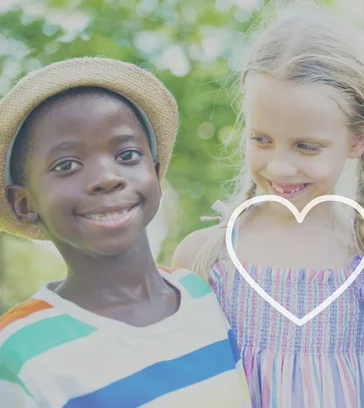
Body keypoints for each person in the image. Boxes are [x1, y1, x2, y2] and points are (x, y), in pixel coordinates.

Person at [172, 4, 364, 407]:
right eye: (262, 139)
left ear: (359, 139)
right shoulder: (206, 259)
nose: (280, 166)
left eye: (306, 146)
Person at [0, 58, 250, 407]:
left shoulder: (203, 294)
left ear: (156, 173)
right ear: (25, 203)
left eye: (128, 154)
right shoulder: (17, 350)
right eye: (66, 165)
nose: (107, 177)